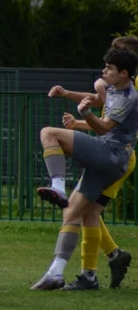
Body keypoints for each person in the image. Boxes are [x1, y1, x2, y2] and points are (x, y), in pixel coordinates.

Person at [31, 47, 138, 290]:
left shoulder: (128, 97)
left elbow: (103, 129)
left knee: (48, 133)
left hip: (110, 154)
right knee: (73, 212)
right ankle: (62, 273)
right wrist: (68, 94)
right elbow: (100, 97)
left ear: (124, 73)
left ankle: (57, 185)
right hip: (112, 160)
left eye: (109, 68)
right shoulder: (115, 86)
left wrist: (85, 113)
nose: (104, 71)